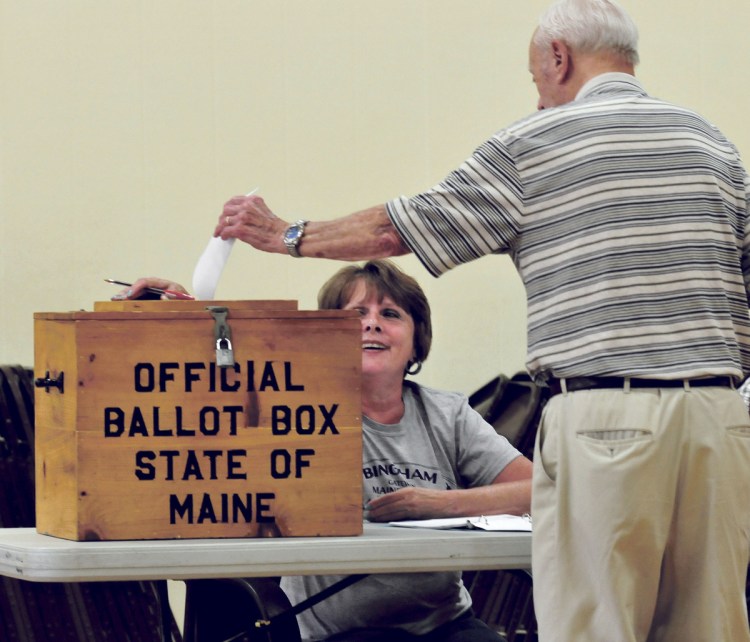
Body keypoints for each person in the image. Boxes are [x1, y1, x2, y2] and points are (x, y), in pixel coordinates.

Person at [210, 1, 750, 640]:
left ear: (559, 58)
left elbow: (400, 226)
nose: (542, 98)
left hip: (609, 421)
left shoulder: (538, 142)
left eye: (536, 79)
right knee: (710, 627)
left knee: (598, 626)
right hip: (722, 422)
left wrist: (290, 234)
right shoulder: (712, 142)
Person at [115, 261, 533, 642]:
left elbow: (538, 489)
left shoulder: (448, 413)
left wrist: (440, 504)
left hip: (446, 623)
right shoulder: (296, 409)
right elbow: (216, 379)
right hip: (341, 631)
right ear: (324, 335)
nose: (372, 325)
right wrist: (181, 313)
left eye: (390, 314)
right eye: (355, 315)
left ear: (416, 340)